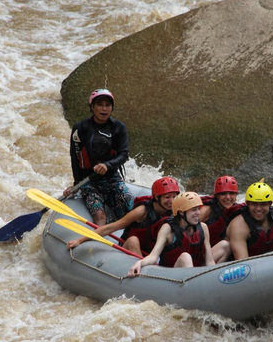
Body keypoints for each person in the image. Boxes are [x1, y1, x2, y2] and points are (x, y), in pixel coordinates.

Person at [64, 88, 133, 226]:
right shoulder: (81, 128)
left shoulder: (118, 128)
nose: (104, 109)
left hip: (112, 179)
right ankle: (99, 242)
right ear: (92, 107)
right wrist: (77, 183)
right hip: (89, 182)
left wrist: (107, 165)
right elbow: (75, 156)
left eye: (107, 105)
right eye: (100, 105)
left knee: (129, 206)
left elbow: (124, 154)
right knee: (100, 217)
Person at [66, 177, 180, 256]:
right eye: (167, 197)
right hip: (130, 248)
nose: (171, 201)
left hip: (152, 251)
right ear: (156, 197)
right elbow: (111, 227)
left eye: (174, 197)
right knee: (133, 240)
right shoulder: (142, 211)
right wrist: (80, 240)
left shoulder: (175, 211)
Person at [128, 192, 224, 276]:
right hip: (171, 276)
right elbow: (153, 256)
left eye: (199, 209)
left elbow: (209, 261)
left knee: (224, 245)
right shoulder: (168, 229)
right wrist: (140, 263)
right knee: (185, 257)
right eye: (194, 210)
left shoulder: (203, 227)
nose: (198, 213)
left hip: (195, 272)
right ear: (181, 212)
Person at [226, 180, 273, 260]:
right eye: (254, 204)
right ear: (248, 204)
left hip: (268, 260)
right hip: (246, 265)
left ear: (270, 204)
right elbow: (242, 262)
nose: (258, 209)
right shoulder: (239, 226)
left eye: (263, 204)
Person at [199, 175, 239, 262]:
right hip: (202, 256)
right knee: (225, 246)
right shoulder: (206, 210)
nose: (228, 197)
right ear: (217, 196)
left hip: (218, 255)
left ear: (236, 195)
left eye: (231, 193)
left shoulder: (238, 212)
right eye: (223, 193)